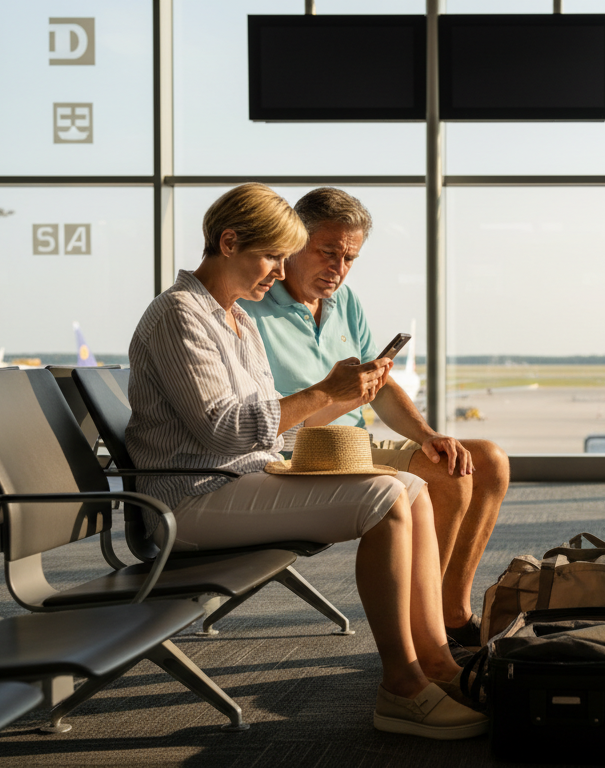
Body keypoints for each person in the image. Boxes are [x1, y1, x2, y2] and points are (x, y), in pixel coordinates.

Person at [125, 182, 485, 739]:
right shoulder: (180, 315)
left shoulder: (234, 319)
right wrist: (325, 393)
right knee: (387, 494)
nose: (278, 270)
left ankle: (433, 661)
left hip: (238, 477)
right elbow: (222, 430)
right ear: (228, 242)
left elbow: (253, 427)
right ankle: (401, 688)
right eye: (272, 255)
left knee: (409, 486)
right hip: (189, 498)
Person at [240, 187, 508, 649]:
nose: (338, 270)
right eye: (328, 254)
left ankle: (451, 611)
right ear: (293, 241)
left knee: (487, 460)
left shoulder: (346, 303)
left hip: (356, 446)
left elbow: (379, 386)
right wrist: (338, 393)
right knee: (450, 478)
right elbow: (267, 422)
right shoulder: (250, 308)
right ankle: (425, 635)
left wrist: (426, 434)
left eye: (349, 259)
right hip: (303, 453)